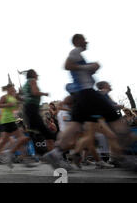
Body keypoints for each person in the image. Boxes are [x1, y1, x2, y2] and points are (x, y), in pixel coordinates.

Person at [43, 34, 136, 171]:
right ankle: (123, 157)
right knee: (114, 119)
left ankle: (55, 153)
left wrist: (91, 69)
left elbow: (78, 71)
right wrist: (89, 67)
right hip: (88, 93)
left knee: (75, 125)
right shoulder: (75, 52)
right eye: (83, 40)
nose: (86, 42)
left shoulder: (79, 56)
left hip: (82, 95)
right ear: (77, 41)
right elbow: (67, 65)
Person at [0, 83, 29, 169]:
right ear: (8, 90)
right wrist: (7, 105)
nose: (14, 90)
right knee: (10, 140)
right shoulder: (4, 97)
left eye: (14, 89)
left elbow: (22, 99)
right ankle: (2, 155)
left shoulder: (14, 96)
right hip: (5, 120)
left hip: (12, 120)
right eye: (12, 89)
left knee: (12, 139)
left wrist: (22, 94)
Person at [21, 69, 55, 152]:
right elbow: (35, 92)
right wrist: (44, 93)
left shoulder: (25, 84)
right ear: (32, 74)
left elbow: (20, 97)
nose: (37, 75)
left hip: (28, 110)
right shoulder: (32, 81)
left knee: (31, 134)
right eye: (36, 73)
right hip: (33, 109)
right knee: (47, 133)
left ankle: (13, 152)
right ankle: (53, 155)